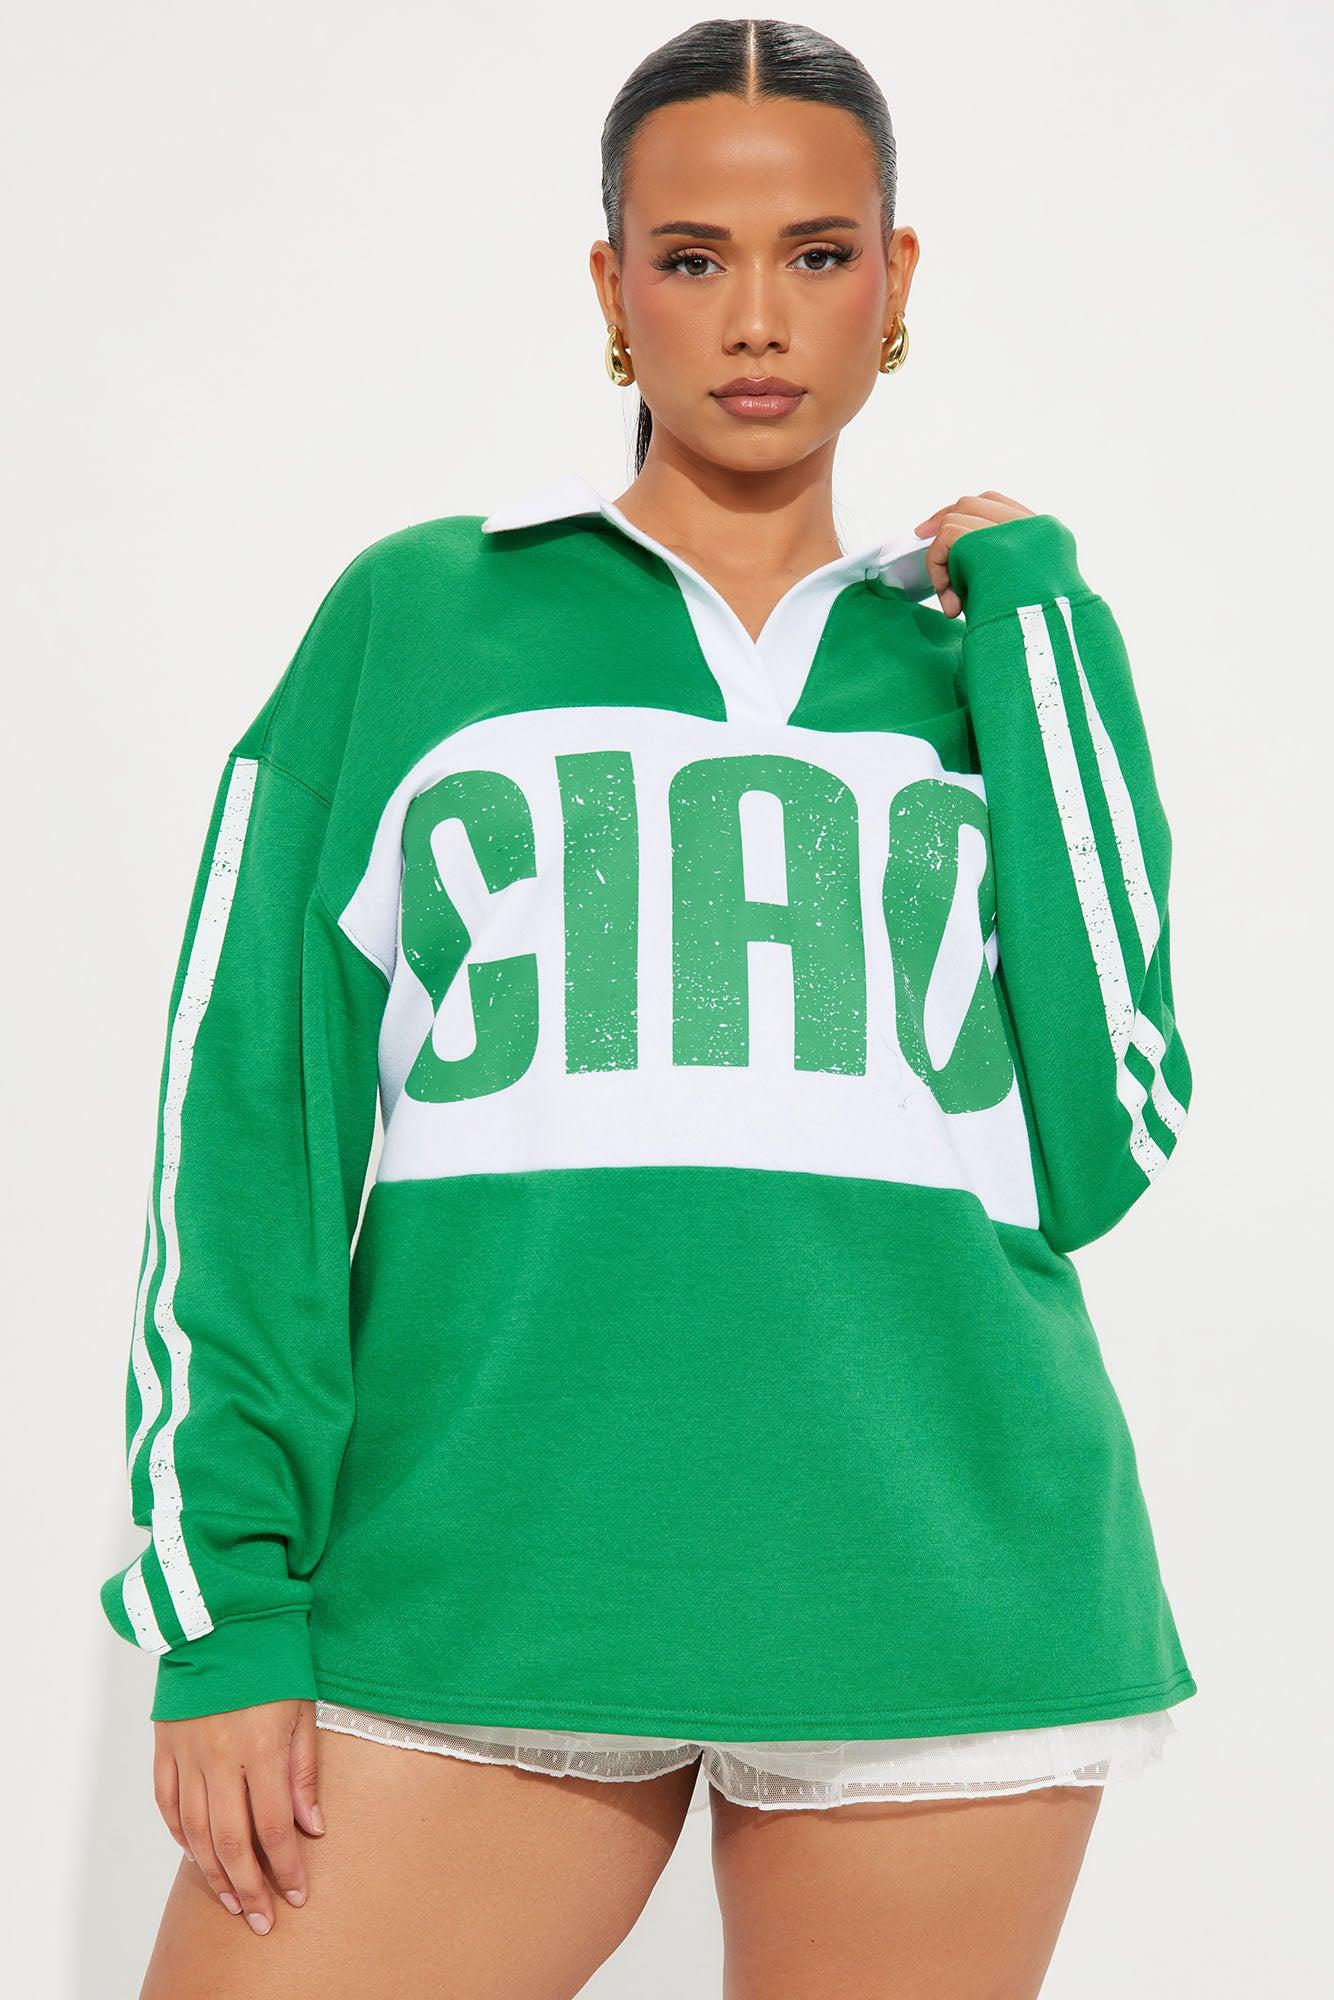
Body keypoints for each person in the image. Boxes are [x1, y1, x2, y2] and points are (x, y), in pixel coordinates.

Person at [102, 18, 1198, 1997]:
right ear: (612, 289)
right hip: (472, 1583)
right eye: (692, 258)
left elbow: (1105, 1141)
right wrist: (227, 1602)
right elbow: (249, 1117)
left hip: (937, 1589)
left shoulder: (988, 663)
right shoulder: (424, 617)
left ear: (894, 279)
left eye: (816, 254)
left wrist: (1040, 623)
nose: (755, 317)